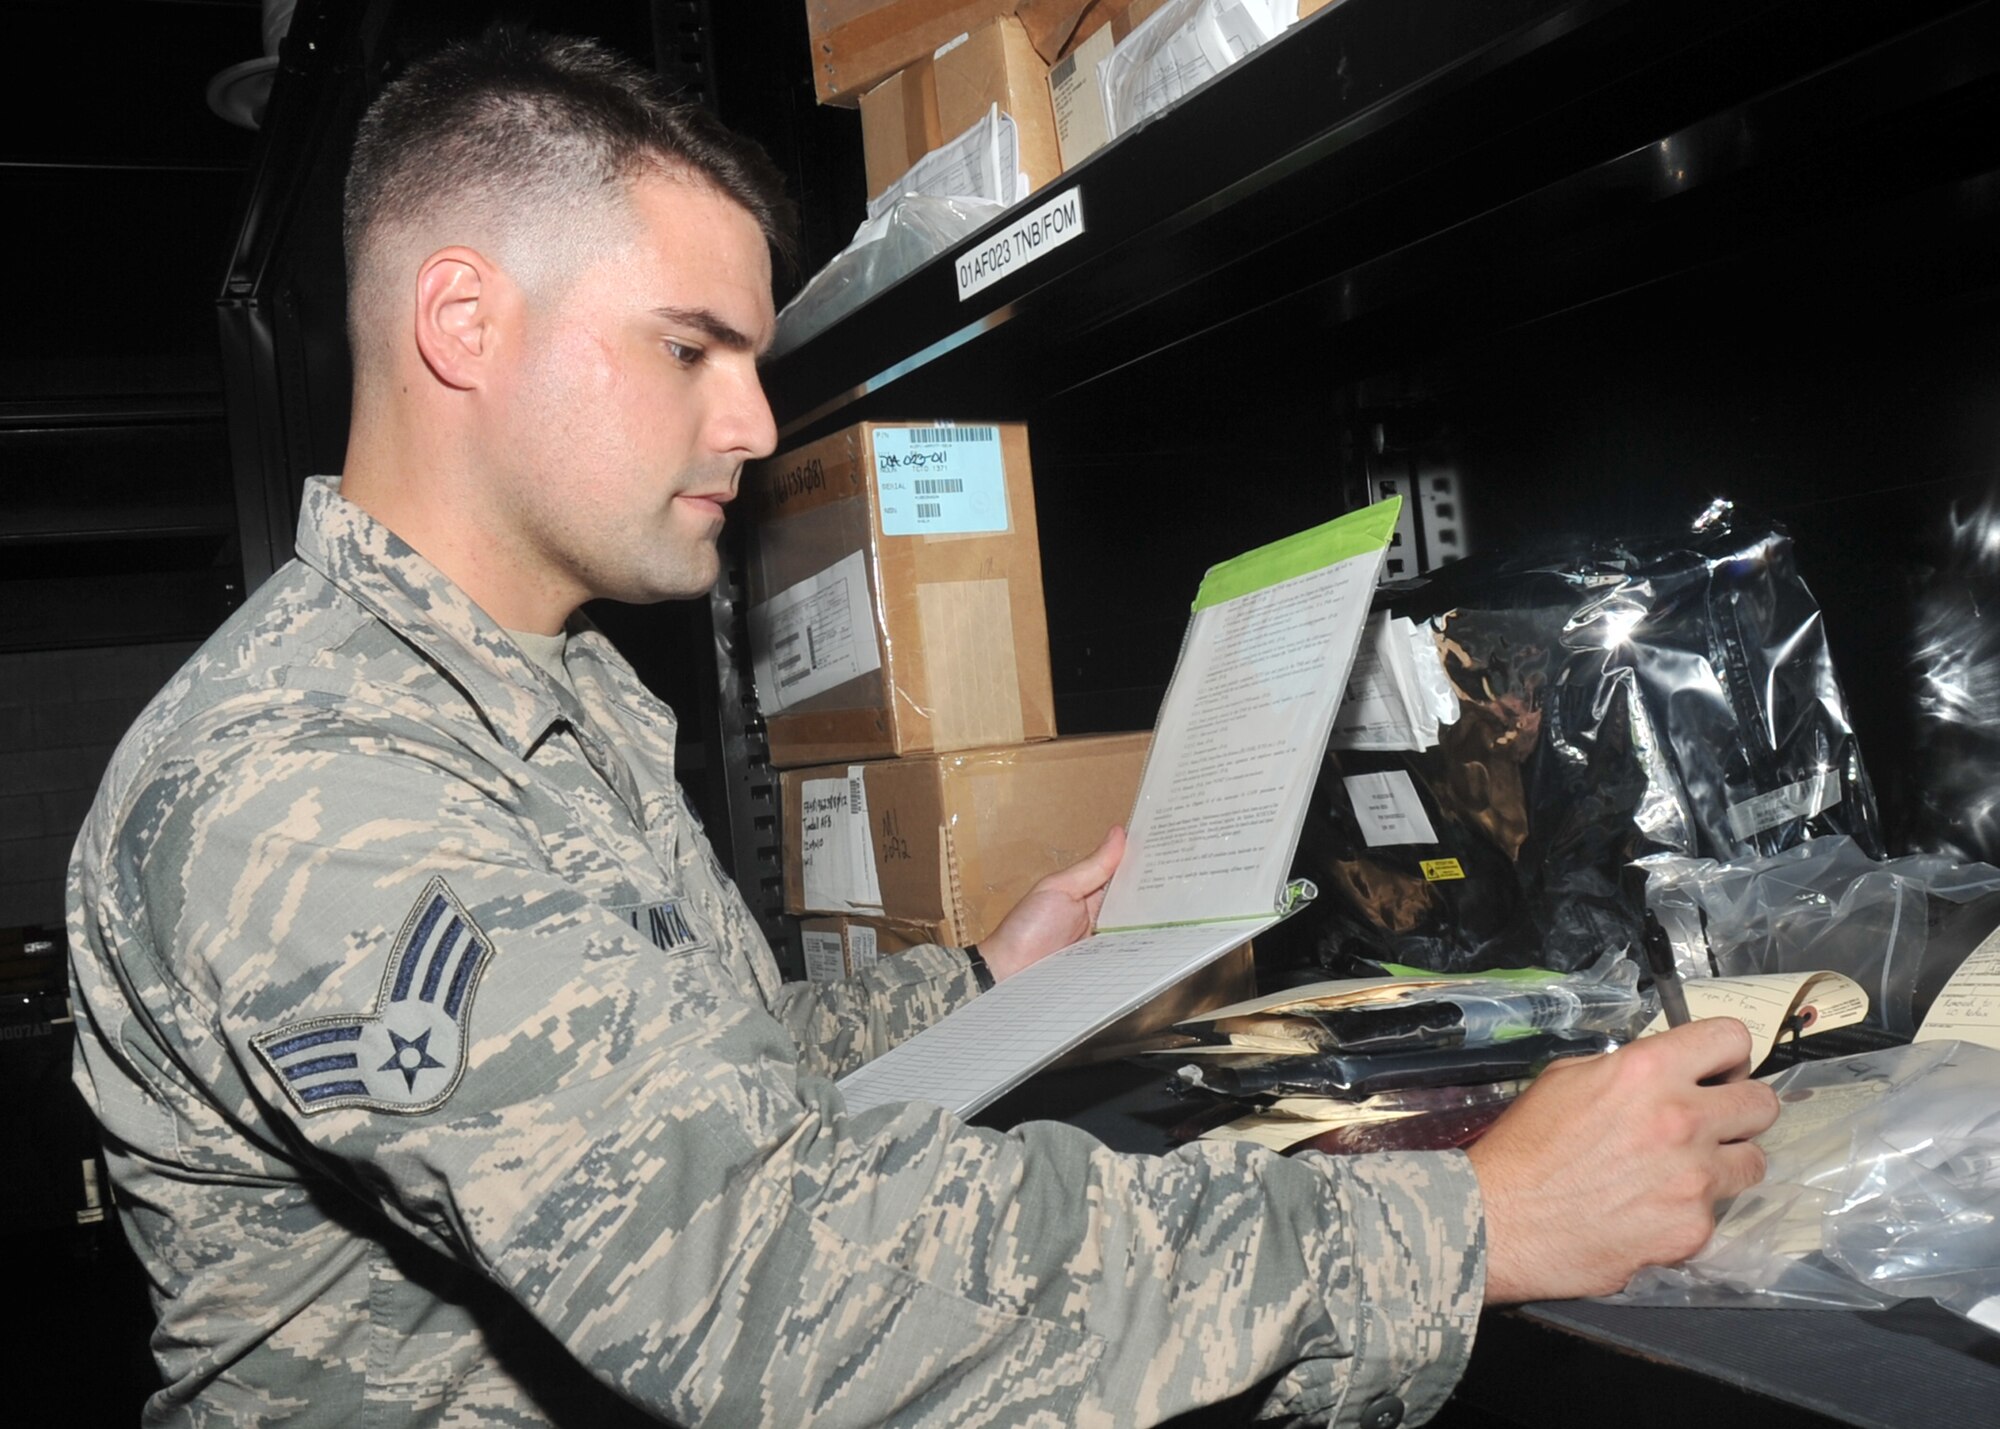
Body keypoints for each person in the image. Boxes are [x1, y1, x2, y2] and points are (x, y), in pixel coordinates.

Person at [67, 28, 1779, 1428]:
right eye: (691, 349)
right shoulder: (313, 778)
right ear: (463, 323)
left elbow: (689, 1079)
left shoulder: (532, 694)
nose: (754, 420)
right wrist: (1468, 1223)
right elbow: (765, 1277)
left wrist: (980, 981)